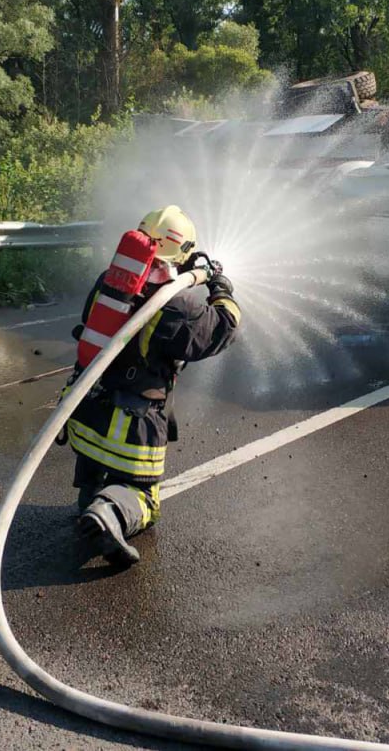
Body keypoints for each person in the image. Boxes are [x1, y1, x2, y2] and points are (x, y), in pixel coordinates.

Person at [68, 205, 241, 566]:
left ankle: (91, 497)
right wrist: (221, 288)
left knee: (100, 466)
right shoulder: (176, 308)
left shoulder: (109, 283)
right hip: (130, 429)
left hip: (85, 412)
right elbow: (223, 330)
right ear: (180, 253)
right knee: (145, 498)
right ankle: (109, 514)